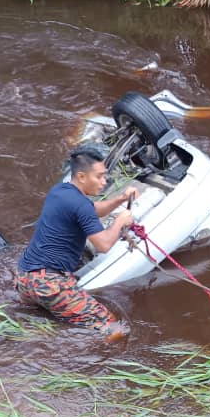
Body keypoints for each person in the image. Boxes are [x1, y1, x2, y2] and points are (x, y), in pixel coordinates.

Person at [14, 145, 135, 340]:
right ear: (81, 177)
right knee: (112, 326)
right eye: (100, 177)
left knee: (45, 321)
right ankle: (102, 367)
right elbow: (103, 245)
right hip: (48, 285)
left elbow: (95, 210)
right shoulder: (80, 204)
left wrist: (121, 198)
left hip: (24, 279)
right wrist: (120, 221)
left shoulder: (61, 191)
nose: (104, 182)